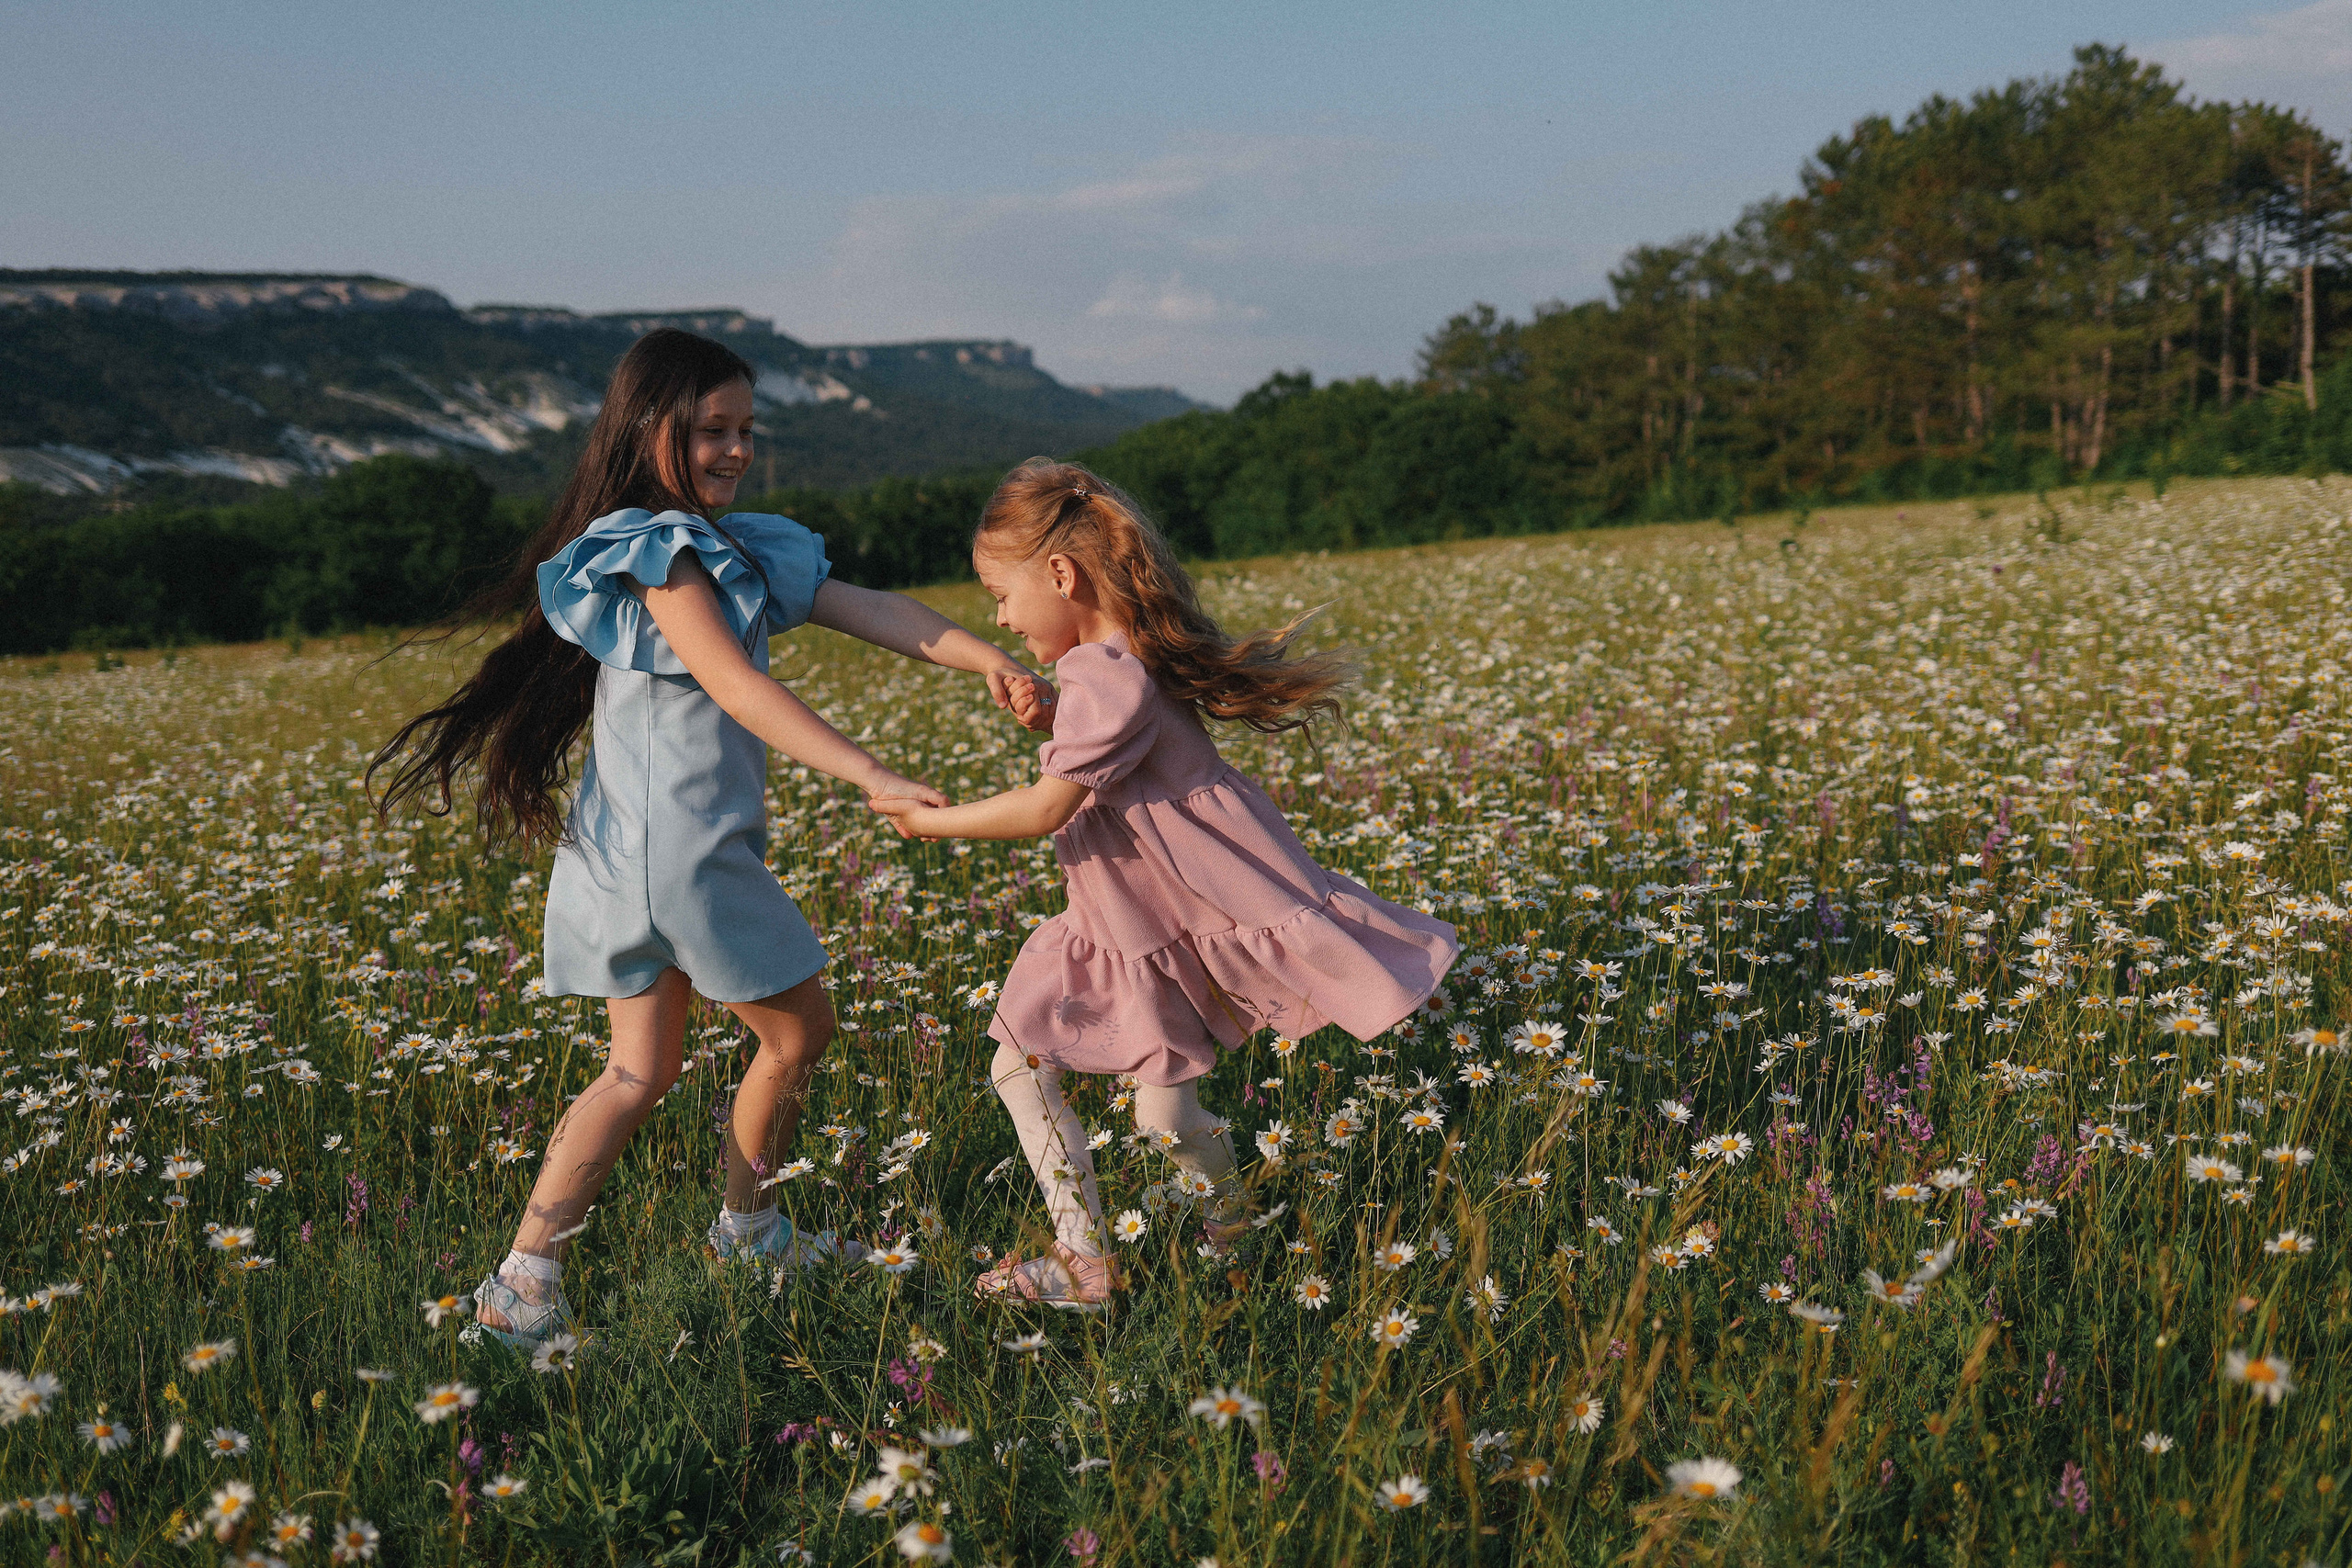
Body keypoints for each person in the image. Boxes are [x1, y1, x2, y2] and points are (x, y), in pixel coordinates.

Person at [370, 330, 1047, 1343]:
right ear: (647, 431)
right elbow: (737, 684)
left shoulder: (733, 546)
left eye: (743, 429)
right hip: (677, 858)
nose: (734, 450)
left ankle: (521, 1290)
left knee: (638, 1073)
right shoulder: (662, 554)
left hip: (629, 858)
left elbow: (868, 607)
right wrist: (870, 772)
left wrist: (982, 659)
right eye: (708, 432)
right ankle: (749, 1231)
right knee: (797, 1031)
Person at [870, 459, 1458, 1306]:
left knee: (1043, 1077)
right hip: (1138, 922)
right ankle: (1208, 1238)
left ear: (1062, 576)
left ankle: (1119, 1257)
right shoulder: (1116, 663)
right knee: (1119, 1103)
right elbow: (1119, 759)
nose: (997, 615)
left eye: (1000, 592)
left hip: (1153, 924)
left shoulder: (1108, 678)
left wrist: (930, 821)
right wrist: (1053, 718)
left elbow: (1047, 809)